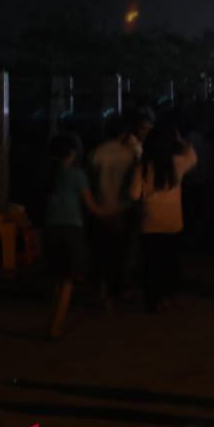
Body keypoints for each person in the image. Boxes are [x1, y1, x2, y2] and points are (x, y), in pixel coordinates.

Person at [45, 134, 114, 339]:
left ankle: (54, 317)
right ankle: (56, 326)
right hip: (71, 227)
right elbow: (92, 207)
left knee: (58, 277)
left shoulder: (50, 173)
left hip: (50, 226)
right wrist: (112, 211)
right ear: (74, 152)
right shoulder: (78, 175)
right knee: (68, 279)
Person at [130, 124, 197, 313]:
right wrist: (181, 140)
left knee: (151, 263)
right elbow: (192, 157)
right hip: (173, 222)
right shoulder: (176, 163)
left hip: (149, 222)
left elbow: (134, 194)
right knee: (169, 261)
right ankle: (168, 296)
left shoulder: (142, 167)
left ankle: (153, 299)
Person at [90, 109, 151, 306]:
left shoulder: (97, 152)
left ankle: (102, 290)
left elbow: (90, 180)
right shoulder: (129, 153)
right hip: (124, 208)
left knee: (102, 251)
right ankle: (117, 291)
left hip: (100, 207)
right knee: (121, 252)